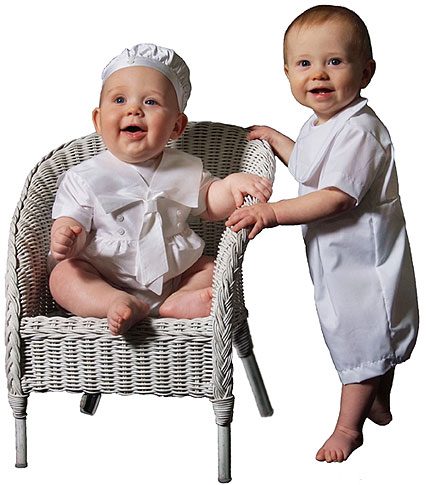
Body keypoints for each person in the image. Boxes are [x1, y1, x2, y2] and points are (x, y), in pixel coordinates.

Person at [226, 5, 419, 463]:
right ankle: (377, 399)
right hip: (337, 259)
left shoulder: (361, 131)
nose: (319, 74)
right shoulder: (321, 123)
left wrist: (272, 213)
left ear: (365, 72)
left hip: (364, 264)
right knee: (368, 338)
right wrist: (275, 138)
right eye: (304, 63)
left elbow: (335, 196)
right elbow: (310, 168)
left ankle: (349, 428)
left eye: (335, 61)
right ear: (288, 73)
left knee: (362, 337)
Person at [49, 42, 272, 337]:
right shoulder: (84, 176)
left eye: (151, 102)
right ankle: (114, 302)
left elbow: (209, 202)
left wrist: (230, 186)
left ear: (176, 127)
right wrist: (67, 235)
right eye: (119, 99)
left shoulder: (184, 167)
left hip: (174, 276)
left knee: (210, 267)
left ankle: (178, 301)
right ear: (98, 121)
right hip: (106, 275)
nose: (134, 110)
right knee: (64, 276)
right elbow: (71, 220)